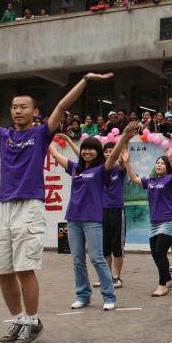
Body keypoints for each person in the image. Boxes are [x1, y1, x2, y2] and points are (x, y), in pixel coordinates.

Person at [0, 72, 114, 343]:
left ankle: (33, 321)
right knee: (3, 268)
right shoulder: (4, 137)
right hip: (5, 208)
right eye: (14, 107)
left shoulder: (40, 134)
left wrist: (85, 80)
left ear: (35, 112)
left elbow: (61, 107)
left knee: (25, 268)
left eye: (23, 107)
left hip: (30, 207)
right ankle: (18, 319)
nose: (17, 111)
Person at [49, 123, 135, 310]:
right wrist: (44, 138)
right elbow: (56, 155)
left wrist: (124, 138)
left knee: (96, 258)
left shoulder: (101, 170)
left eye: (92, 149)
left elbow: (113, 156)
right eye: (85, 149)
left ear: (97, 152)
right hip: (73, 219)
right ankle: (83, 295)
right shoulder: (75, 169)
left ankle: (109, 296)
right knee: (77, 260)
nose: (87, 152)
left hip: (92, 221)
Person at [60, 136, 130, 289]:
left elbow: (120, 159)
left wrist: (125, 143)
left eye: (112, 152)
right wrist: (70, 142)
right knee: (104, 246)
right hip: (100, 211)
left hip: (116, 210)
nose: (108, 154)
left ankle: (117, 277)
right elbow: (82, 156)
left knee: (116, 246)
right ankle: (107, 276)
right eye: (106, 151)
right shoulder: (94, 169)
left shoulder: (117, 169)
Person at [125, 145, 172, 296]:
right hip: (155, 223)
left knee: (159, 251)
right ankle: (169, 279)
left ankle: (162, 285)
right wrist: (126, 163)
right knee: (156, 254)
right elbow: (135, 178)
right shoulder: (150, 181)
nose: (159, 164)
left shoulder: (171, 179)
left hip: (170, 221)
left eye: (162, 163)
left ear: (168, 167)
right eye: (157, 162)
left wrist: (170, 158)